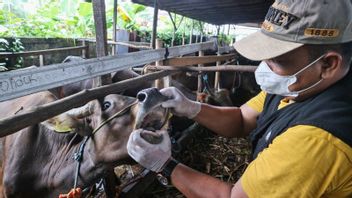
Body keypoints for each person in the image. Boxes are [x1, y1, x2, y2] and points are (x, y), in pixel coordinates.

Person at [127, 0, 352, 197]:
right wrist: (191, 107)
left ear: (328, 64)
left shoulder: (317, 140)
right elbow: (243, 119)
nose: (265, 68)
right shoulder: (299, 86)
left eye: (278, 61)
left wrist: (164, 165)